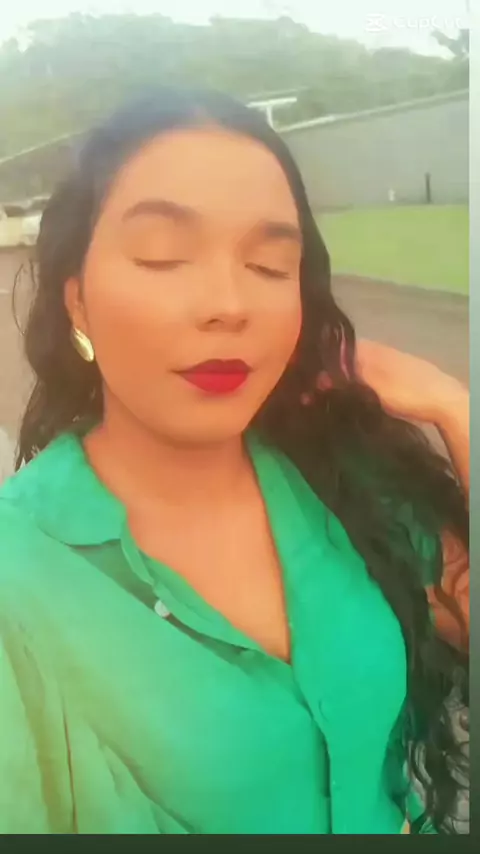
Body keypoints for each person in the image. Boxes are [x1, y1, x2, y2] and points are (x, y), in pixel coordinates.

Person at [0, 88, 469, 835]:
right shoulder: (19, 580)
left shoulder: (340, 480)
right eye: (163, 256)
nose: (230, 303)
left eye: (269, 265)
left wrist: (456, 410)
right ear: (78, 302)